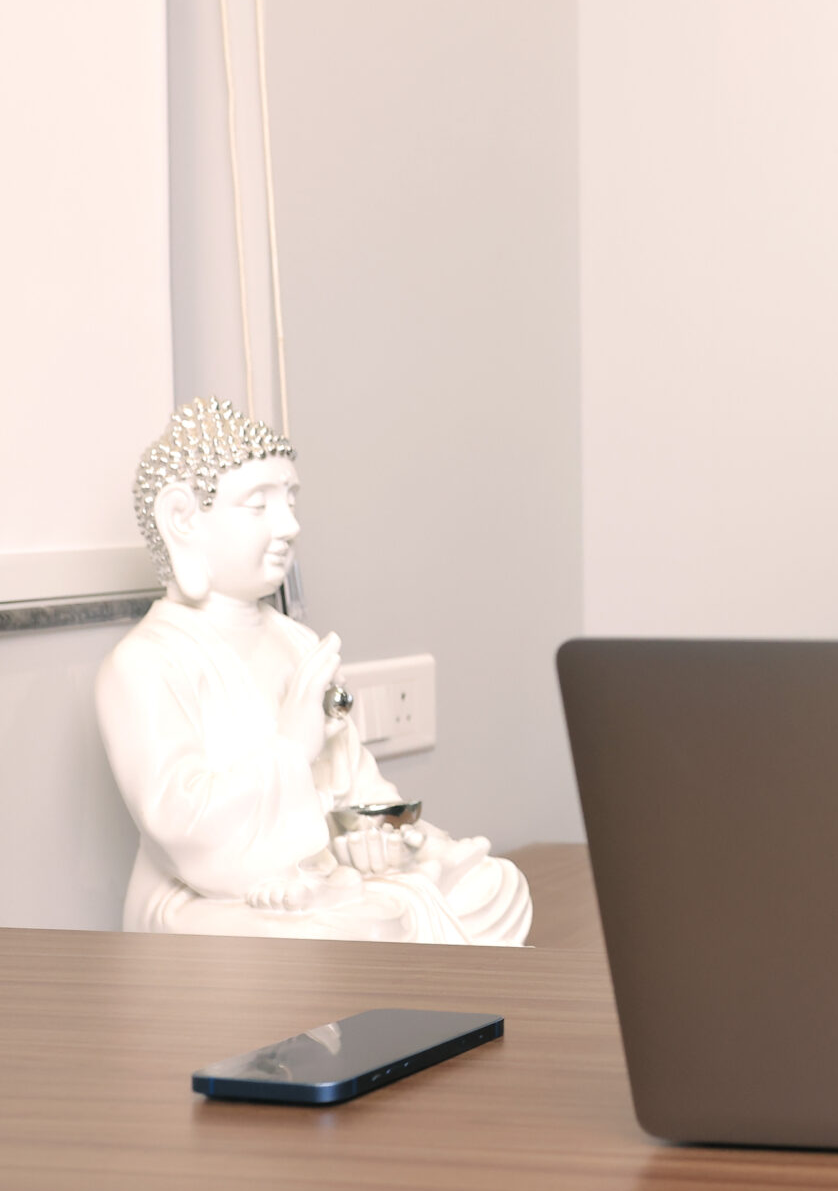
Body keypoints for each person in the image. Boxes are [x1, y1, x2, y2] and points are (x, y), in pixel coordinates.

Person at [96, 398, 531, 944]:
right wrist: (291, 748)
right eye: (259, 505)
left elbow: (352, 785)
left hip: (323, 879)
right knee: (359, 932)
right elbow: (183, 830)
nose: (289, 525)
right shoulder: (144, 663)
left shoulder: (298, 643)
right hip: (204, 897)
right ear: (182, 519)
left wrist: (381, 836)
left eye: (291, 501)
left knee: (494, 886)